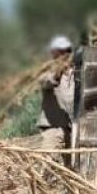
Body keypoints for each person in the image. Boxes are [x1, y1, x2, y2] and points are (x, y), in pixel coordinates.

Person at [37, 35, 75, 163]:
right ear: (53, 53)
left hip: (70, 128)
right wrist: (55, 75)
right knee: (48, 164)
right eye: (60, 51)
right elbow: (44, 81)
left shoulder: (74, 71)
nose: (64, 54)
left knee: (69, 166)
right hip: (53, 127)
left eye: (67, 51)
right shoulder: (48, 70)